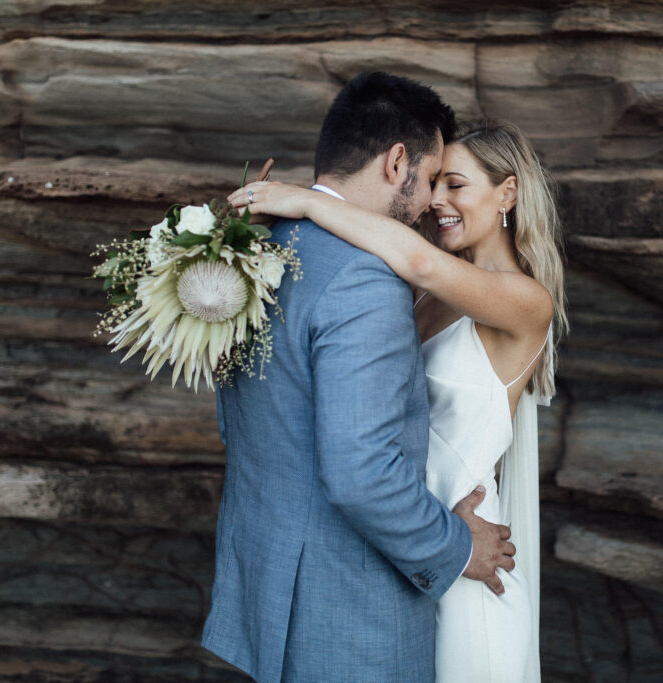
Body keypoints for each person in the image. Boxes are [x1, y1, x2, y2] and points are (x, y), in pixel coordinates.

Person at [202, 72, 517, 682]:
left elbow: (238, 417)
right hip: (349, 613)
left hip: (271, 584)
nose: (431, 202)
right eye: (431, 177)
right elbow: (361, 472)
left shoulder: (262, 249)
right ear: (397, 162)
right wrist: (456, 548)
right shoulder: (364, 280)